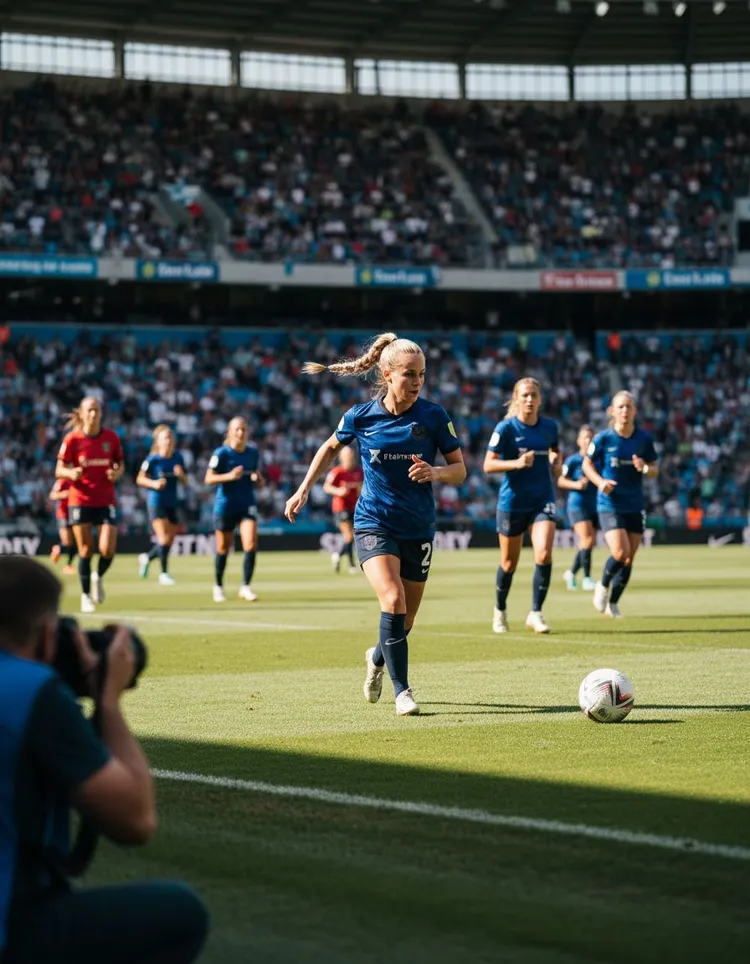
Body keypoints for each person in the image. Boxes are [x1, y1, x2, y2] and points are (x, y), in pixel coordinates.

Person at [0, 555, 208, 964]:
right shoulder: (29, 691)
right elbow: (135, 821)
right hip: (11, 925)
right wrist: (107, 702)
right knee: (181, 914)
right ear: (47, 634)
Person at [284, 332, 466, 717]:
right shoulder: (360, 416)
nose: (417, 382)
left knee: (406, 619)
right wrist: (303, 489)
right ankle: (403, 692)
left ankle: (377, 657)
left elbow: (460, 470)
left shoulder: (434, 416)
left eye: (422, 374)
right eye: (409, 374)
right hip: (373, 523)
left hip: (418, 526)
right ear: (387, 374)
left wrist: (436, 472)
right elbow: (329, 448)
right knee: (393, 600)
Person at [483, 377, 562, 635]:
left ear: (540, 399)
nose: (529, 399)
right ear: (516, 399)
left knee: (544, 554)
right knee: (508, 563)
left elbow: (555, 452)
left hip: (542, 500)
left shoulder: (550, 427)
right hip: (513, 502)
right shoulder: (505, 428)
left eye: (533, 395)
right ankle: (500, 610)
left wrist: (556, 461)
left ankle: (536, 613)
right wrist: (516, 463)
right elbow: (488, 464)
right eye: (525, 395)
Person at [583, 390, 658, 618]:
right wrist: (600, 482)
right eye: (621, 407)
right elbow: (587, 465)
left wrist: (644, 468)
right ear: (612, 411)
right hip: (610, 503)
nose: (625, 410)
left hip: (634, 504)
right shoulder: (603, 439)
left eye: (629, 406)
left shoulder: (644, 439)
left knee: (629, 558)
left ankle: (613, 603)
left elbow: (655, 470)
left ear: (635, 411)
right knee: (619, 551)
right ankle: (603, 585)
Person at [56, 397, 123, 615]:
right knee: (85, 549)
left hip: (105, 500)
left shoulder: (111, 437)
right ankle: (85, 596)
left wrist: (116, 473)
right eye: (90, 410)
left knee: (107, 549)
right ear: (82, 413)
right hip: (80, 500)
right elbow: (59, 469)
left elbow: (120, 463)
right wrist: (70, 473)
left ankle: (98, 576)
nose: (93, 414)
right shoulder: (73, 439)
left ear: (101, 413)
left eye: (97, 410)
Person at [204, 416, 263, 603]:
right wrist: (229, 476)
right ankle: (218, 586)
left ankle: (246, 587)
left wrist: (258, 479)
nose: (240, 432)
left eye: (243, 429)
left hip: (247, 504)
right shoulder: (221, 453)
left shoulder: (253, 453)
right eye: (237, 429)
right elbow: (208, 479)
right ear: (229, 432)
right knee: (223, 548)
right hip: (226, 506)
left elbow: (259, 481)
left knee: (251, 544)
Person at [136, 425, 187, 587]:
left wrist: (181, 475)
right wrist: (154, 484)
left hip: (172, 502)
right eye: (165, 438)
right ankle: (164, 574)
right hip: (156, 502)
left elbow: (185, 481)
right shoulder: (152, 460)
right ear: (158, 442)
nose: (168, 441)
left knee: (169, 541)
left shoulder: (178, 458)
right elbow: (140, 479)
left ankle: (147, 557)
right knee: (163, 538)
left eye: (170, 437)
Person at [558, 425, 598, 591]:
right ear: (579, 441)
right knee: (587, 539)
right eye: (585, 438)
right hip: (577, 504)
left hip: (594, 505)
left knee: (589, 542)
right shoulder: (573, 461)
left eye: (591, 438)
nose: (588, 441)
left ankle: (571, 573)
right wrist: (576, 485)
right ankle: (587, 578)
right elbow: (561, 480)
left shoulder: (598, 460)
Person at [323, 446, 363, 574]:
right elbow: (326, 487)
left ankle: (343, 558)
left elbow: (363, 486)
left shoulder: (359, 471)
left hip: (356, 508)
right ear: (341, 458)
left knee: (352, 537)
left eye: (351, 456)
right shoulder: (337, 472)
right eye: (347, 456)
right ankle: (348, 562)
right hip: (341, 508)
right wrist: (339, 491)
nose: (350, 459)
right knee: (349, 536)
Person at [48, 478, 77, 575]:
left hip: (75, 513)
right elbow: (52, 495)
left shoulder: (78, 479)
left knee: (75, 541)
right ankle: (58, 548)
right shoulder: (62, 481)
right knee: (67, 541)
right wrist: (64, 494)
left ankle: (68, 565)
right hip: (63, 514)